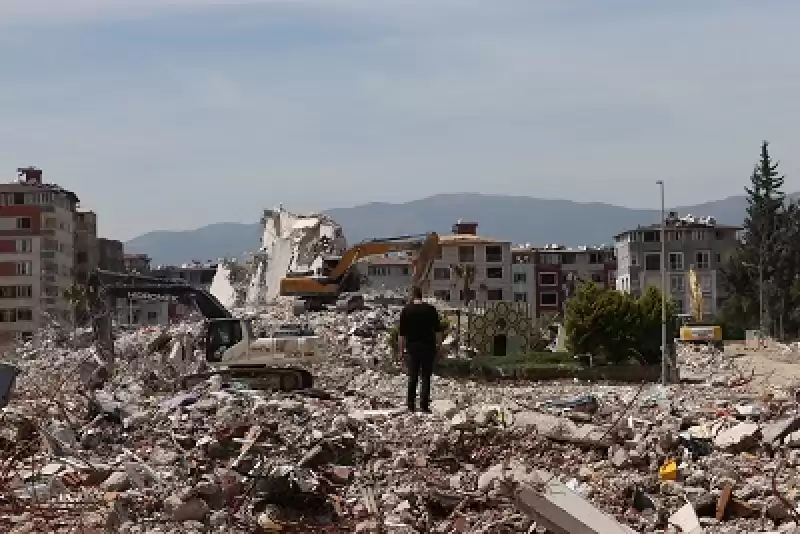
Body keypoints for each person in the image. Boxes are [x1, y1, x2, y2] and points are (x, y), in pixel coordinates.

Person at [397, 286, 444, 413]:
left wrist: (400, 351)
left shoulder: (406, 310)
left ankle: (411, 404)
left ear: (412, 295)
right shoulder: (430, 309)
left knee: (413, 375)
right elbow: (438, 331)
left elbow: (401, 334)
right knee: (426, 376)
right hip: (428, 347)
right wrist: (439, 346)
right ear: (421, 295)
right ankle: (424, 405)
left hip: (412, 348)